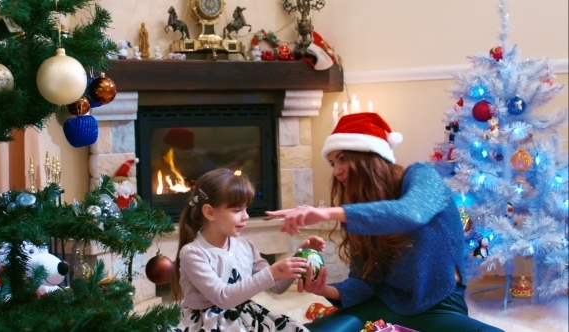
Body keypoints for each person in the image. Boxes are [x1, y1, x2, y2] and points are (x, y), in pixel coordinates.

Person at [266, 113, 504, 332]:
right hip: (382, 305)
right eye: (332, 163)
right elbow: (362, 283)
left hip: (437, 305)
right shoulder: (361, 210)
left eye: (342, 158)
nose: (337, 171)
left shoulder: (422, 175)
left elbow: (411, 213)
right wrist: (322, 289)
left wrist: (326, 213)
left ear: (368, 155)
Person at [171, 168, 325, 332]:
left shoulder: (245, 246)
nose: (246, 216)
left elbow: (277, 288)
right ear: (210, 212)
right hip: (208, 323)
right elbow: (223, 297)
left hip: (245, 315)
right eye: (237, 210)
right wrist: (273, 272)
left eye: (246, 209)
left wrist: (298, 258)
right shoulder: (193, 253)